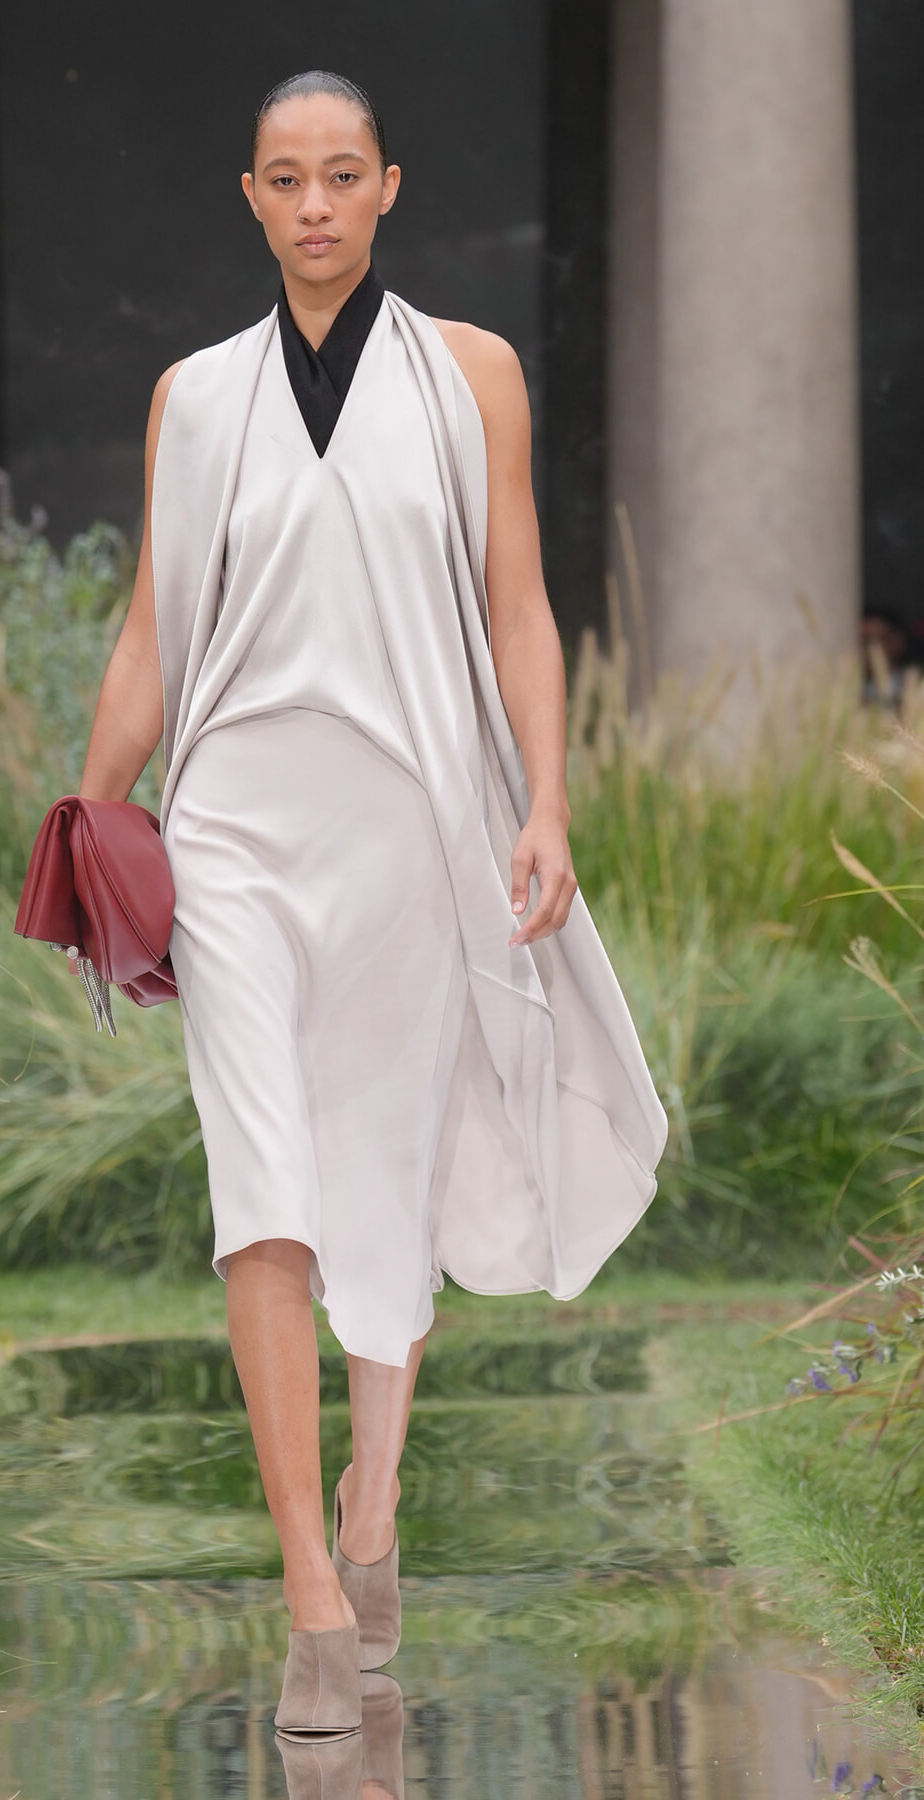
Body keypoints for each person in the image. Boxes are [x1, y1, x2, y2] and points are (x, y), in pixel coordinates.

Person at [77, 70, 668, 1740]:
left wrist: (545, 800)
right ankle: (311, 1596)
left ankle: (377, 1496)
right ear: (249, 197)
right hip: (236, 842)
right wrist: (92, 813)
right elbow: (149, 628)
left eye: (345, 175)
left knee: (382, 1191)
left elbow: (522, 612)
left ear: (389, 187)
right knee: (262, 1183)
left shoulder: (471, 374)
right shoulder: (191, 398)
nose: (317, 204)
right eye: (287, 178)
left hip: (418, 838)